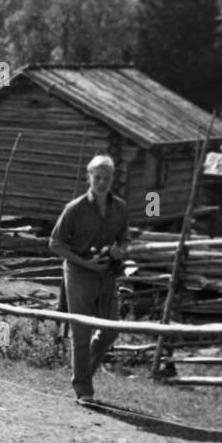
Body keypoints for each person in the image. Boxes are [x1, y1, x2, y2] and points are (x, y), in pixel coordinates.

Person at [49, 154, 129, 402]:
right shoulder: (75, 209)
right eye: (97, 177)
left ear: (112, 179)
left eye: (107, 178)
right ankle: (83, 389)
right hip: (79, 273)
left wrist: (120, 249)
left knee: (110, 329)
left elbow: (124, 238)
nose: (102, 182)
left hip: (107, 273)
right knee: (81, 331)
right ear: (89, 178)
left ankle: (83, 372)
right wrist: (86, 263)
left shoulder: (120, 208)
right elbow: (55, 243)